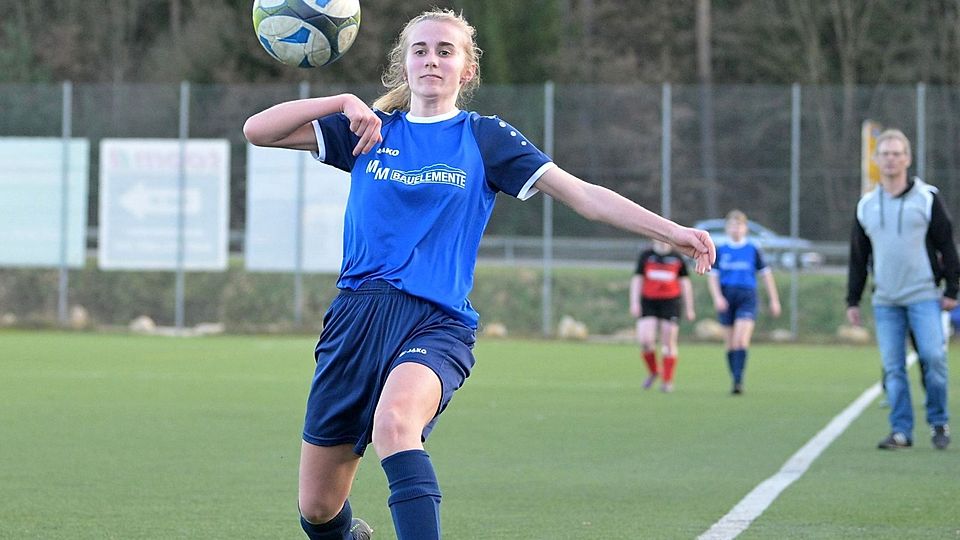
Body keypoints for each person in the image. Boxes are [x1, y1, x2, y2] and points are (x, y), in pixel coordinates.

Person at [243, 8, 716, 540]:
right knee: (319, 510)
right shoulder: (368, 130)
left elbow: (583, 196)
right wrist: (342, 102)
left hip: (435, 321)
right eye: (420, 50)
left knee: (397, 423)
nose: (431, 60)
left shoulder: (485, 138)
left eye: (446, 51)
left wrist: (672, 231)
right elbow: (257, 130)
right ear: (404, 61)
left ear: (465, 71)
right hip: (355, 320)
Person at [846, 128, 957, 451]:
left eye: (897, 153)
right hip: (886, 300)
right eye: (885, 153)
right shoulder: (866, 205)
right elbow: (858, 256)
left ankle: (939, 422)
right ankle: (901, 431)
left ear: (907, 158)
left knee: (934, 358)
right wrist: (852, 299)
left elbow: (948, 246)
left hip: (923, 295)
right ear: (876, 160)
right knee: (893, 367)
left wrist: (953, 288)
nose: (891, 159)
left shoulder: (927, 198)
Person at [706, 210, 781, 395]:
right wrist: (717, 297)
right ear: (727, 228)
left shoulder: (753, 249)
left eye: (739, 225)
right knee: (730, 343)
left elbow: (766, 275)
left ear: (745, 228)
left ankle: (738, 380)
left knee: (741, 340)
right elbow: (713, 277)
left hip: (747, 296)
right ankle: (735, 377)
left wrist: (774, 300)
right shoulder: (721, 249)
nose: (736, 229)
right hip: (727, 296)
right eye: (732, 225)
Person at [629, 239, 696, 392]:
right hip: (649, 301)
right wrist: (634, 302)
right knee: (646, 340)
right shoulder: (646, 256)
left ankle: (667, 381)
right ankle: (653, 371)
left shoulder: (677, 258)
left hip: (670, 303)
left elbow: (685, 283)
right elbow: (637, 279)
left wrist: (689, 308)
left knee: (668, 341)